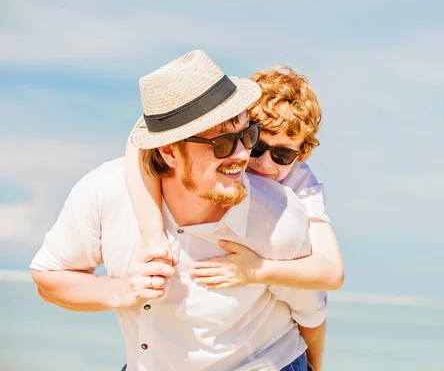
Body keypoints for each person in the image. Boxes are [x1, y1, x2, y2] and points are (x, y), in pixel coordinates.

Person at [30, 50, 327, 371]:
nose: (245, 157)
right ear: (168, 151)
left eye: (246, 136)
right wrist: (116, 290)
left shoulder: (279, 216)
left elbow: (313, 309)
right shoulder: (105, 192)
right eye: (223, 144)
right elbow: (48, 278)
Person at [124, 66, 344, 369]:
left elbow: (331, 271)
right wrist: (153, 235)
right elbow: (136, 145)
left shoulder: (301, 183)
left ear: (300, 154)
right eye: (258, 147)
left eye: (282, 155)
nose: (265, 164)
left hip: (288, 286)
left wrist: (256, 271)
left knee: (312, 310)